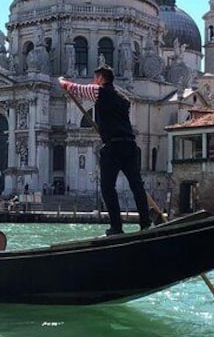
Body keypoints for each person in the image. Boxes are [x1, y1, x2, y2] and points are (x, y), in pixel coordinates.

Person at [59, 65, 151, 235]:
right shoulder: (123, 99)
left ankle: (116, 227)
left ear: (101, 78)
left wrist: (62, 81)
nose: (94, 81)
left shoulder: (98, 91)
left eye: (96, 78)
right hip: (130, 145)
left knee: (108, 188)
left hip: (113, 146)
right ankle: (145, 223)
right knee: (137, 186)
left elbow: (75, 88)